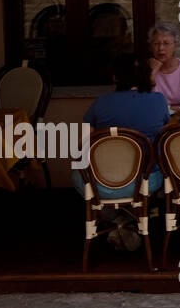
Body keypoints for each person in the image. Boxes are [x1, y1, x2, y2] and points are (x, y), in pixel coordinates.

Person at [73, 56, 170, 251]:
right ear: (146, 75)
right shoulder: (158, 101)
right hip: (145, 182)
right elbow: (164, 138)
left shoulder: (100, 103)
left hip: (101, 185)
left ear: (115, 77)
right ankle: (130, 220)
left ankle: (118, 219)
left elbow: (81, 148)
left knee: (77, 174)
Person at [146, 21, 180, 110]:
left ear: (175, 46)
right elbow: (143, 103)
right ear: (151, 47)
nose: (161, 48)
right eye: (156, 44)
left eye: (166, 43)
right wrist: (152, 74)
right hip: (154, 118)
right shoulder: (145, 68)